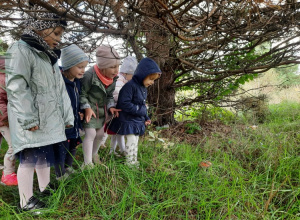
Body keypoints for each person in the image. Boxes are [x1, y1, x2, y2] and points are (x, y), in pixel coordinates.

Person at [5, 11, 74, 211]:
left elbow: (60, 91)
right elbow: (17, 85)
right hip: (31, 119)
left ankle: (45, 192)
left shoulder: (49, 57)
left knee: (43, 158)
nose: (59, 39)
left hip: (49, 120)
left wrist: (67, 116)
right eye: (57, 33)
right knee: (28, 161)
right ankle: (25, 201)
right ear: (42, 28)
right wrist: (27, 118)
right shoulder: (20, 49)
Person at [107, 57, 161, 167]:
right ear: (142, 74)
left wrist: (146, 117)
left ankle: (133, 160)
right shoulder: (130, 86)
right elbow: (124, 103)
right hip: (127, 119)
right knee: (131, 139)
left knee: (135, 140)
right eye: (151, 79)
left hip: (136, 120)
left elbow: (142, 105)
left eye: (154, 80)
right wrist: (139, 110)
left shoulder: (143, 88)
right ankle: (129, 162)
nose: (152, 82)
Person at [80, 45, 121, 167]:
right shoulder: (89, 76)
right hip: (90, 111)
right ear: (102, 66)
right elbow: (82, 93)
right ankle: (87, 163)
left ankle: (93, 156)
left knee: (100, 134)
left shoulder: (112, 79)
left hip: (102, 112)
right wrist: (86, 107)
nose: (116, 70)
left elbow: (109, 96)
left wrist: (111, 107)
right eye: (113, 67)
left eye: (118, 66)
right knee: (91, 134)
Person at [53, 44, 89, 180]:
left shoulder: (77, 82)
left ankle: (68, 167)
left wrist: (80, 111)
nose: (83, 70)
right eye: (80, 67)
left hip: (75, 121)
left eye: (85, 67)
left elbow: (78, 100)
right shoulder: (60, 82)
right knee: (61, 148)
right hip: (62, 123)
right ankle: (60, 174)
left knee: (72, 145)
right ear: (69, 66)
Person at [108, 56, 138, 156]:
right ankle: (119, 150)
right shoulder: (119, 80)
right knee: (117, 132)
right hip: (116, 109)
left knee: (118, 132)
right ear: (125, 72)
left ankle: (118, 150)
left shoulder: (125, 80)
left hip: (119, 108)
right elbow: (117, 93)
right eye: (132, 75)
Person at [0, 56, 17, 186]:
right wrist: (5, 117)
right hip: (4, 120)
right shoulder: (4, 79)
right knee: (13, 146)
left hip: (5, 119)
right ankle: (8, 174)